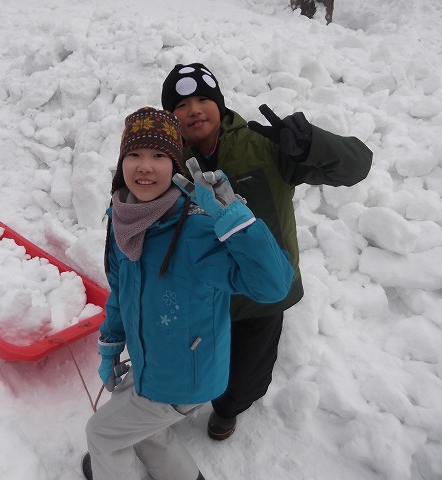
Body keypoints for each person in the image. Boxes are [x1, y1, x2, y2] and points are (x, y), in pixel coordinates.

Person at [160, 63, 373, 441]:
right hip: (201, 291)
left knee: (248, 369)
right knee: (191, 356)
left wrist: (312, 145)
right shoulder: (166, 160)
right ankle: (182, 400)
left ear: (220, 105)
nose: (193, 109)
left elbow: (356, 166)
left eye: (203, 99)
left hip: (260, 292)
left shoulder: (263, 146)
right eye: (180, 104)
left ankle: (228, 410)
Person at [81, 106, 294, 480]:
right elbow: (121, 289)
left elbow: (273, 285)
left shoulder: (198, 231)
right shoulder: (124, 218)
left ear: (176, 164)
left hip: (186, 376)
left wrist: (236, 219)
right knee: (146, 432)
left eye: (159, 156)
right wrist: (111, 344)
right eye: (134, 154)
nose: (144, 166)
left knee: (102, 434)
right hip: (152, 361)